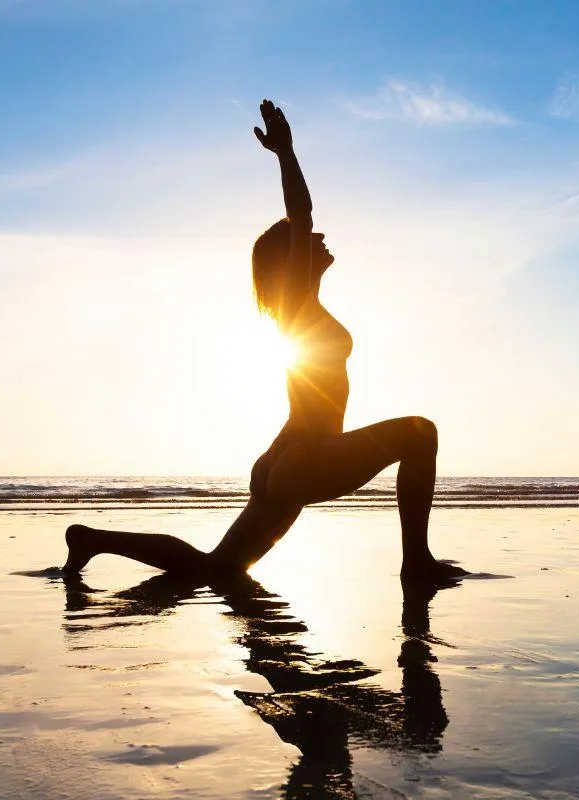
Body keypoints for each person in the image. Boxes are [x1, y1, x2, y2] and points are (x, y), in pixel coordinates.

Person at [63, 99, 468, 583]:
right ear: (289, 261)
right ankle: (416, 563)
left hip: (286, 455)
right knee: (420, 432)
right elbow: (301, 213)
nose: (317, 238)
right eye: (305, 240)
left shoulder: (299, 312)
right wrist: (286, 153)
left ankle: (93, 539)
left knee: (218, 568)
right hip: (309, 455)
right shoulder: (296, 303)